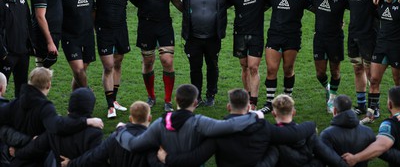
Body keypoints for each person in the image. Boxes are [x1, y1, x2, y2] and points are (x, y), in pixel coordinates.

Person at [116, 84, 316, 167]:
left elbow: (134, 145)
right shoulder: (205, 124)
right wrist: (254, 117)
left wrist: (120, 130)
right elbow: (293, 134)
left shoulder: (160, 124)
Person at [133, 0, 182, 112]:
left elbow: (176, 1)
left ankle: (168, 100)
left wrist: (191, 13)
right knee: (148, 62)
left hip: (164, 26)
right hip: (146, 26)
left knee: (167, 61)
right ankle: (151, 96)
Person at [260, 0, 313, 113]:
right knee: (271, 69)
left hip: (292, 36)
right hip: (274, 35)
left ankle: (287, 100)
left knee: (288, 69)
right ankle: (270, 102)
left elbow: (316, 8)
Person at [179, 0, 232, 106]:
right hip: (193, 38)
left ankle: (211, 95)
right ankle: (196, 96)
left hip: (213, 37)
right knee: (195, 68)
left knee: (212, 66)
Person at [90, 0, 137, 118]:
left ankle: (114, 100)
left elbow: (138, 1)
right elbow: (88, 3)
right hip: (104, 30)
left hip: (121, 30)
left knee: (118, 63)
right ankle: (110, 106)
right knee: (108, 66)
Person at [12, 88, 103, 167]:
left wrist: (16, 152)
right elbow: (93, 159)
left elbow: (35, 148)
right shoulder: (94, 133)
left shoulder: (56, 126)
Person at [59, 101, 164, 167]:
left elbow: (94, 157)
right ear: (149, 118)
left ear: (130, 118)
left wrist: (70, 163)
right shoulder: (152, 142)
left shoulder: (115, 136)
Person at [340, 0, 380, 115]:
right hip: (353, 35)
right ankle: (362, 105)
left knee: (371, 74)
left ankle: (374, 107)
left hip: (370, 36)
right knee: (357, 69)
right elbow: (338, 2)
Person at [229, 0, 270, 110]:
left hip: (256, 35)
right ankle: (246, 97)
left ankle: (253, 101)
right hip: (239, 34)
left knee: (253, 67)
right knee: (244, 66)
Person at [360, 0, 400, 124]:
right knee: (374, 79)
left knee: (397, 82)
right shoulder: (380, 1)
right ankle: (372, 113)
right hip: (381, 45)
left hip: (397, 47)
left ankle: (398, 112)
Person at [271, 94, 347, 167]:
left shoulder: (270, 137)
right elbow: (329, 157)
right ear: (294, 113)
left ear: (274, 114)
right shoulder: (309, 134)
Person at [310, 0, 347, 113]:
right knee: (320, 73)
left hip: (336, 39)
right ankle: (328, 88)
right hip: (319, 39)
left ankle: (331, 99)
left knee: (335, 71)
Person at [342, 86, 400, 167]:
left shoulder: (390, 124)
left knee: (370, 140)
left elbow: (381, 146)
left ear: (390, 104)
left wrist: (355, 158)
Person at [60, 0, 95, 90]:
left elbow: (93, 10)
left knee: (80, 73)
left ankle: (75, 104)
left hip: (88, 36)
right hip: (70, 37)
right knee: (79, 71)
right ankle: (87, 94)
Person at [0, 0, 33, 97]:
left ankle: (19, 115)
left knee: (22, 87)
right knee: (1, 86)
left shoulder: (22, 0)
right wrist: (3, 54)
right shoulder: (1, 3)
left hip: (23, 53)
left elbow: (28, 24)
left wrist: (30, 47)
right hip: (7, 55)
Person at [319, 94, 375, 167]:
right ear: (350, 109)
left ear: (335, 110)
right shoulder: (368, 131)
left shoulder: (327, 134)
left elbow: (324, 160)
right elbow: (373, 154)